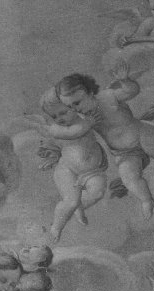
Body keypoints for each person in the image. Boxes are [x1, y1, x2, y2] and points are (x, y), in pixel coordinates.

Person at [55, 72, 154, 222]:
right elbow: (75, 135)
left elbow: (132, 91)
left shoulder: (108, 97)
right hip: (124, 152)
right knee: (130, 179)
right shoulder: (84, 119)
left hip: (142, 135)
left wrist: (125, 80)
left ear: (89, 92)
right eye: (70, 106)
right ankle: (147, 200)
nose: (75, 109)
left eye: (77, 103)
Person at [36, 91, 109, 243]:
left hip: (92, 170)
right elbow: (74, 132)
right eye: (54, 116)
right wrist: (89, 123)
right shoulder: (56, 128)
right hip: (67, 170)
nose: (59, 118)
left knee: (97, 193)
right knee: (71, 201)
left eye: (63, 112)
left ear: (73, 106)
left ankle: (78, 208)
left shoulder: (84, 118)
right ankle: (57, 226)